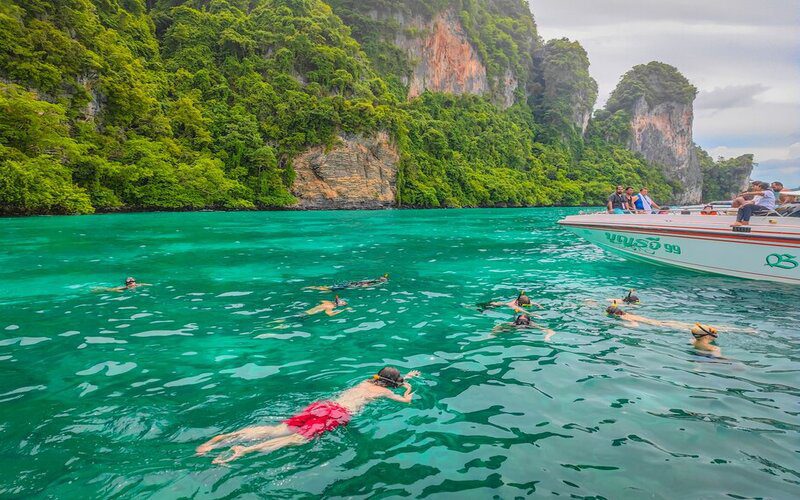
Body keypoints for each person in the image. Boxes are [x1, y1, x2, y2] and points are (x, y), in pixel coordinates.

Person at [197, 367, 421, 464]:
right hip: (337, 414)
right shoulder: (383, 391)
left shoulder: (366, 382)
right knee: (299, 439)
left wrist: (401, 377)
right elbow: (406, 399)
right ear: (392, 383)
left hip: (325, 406)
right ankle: (244, 451)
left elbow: (388, 380)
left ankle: (219, 440)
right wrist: (408, 385)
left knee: (278, 429)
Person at [305, 274, 389, 291]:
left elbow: (365, 283)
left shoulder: (372, 282)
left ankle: (311, 287)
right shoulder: (372, 283)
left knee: (328, 288)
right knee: (329, 289)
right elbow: (364, 285)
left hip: (349, 284)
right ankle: (311, 288)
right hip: (348, 286)